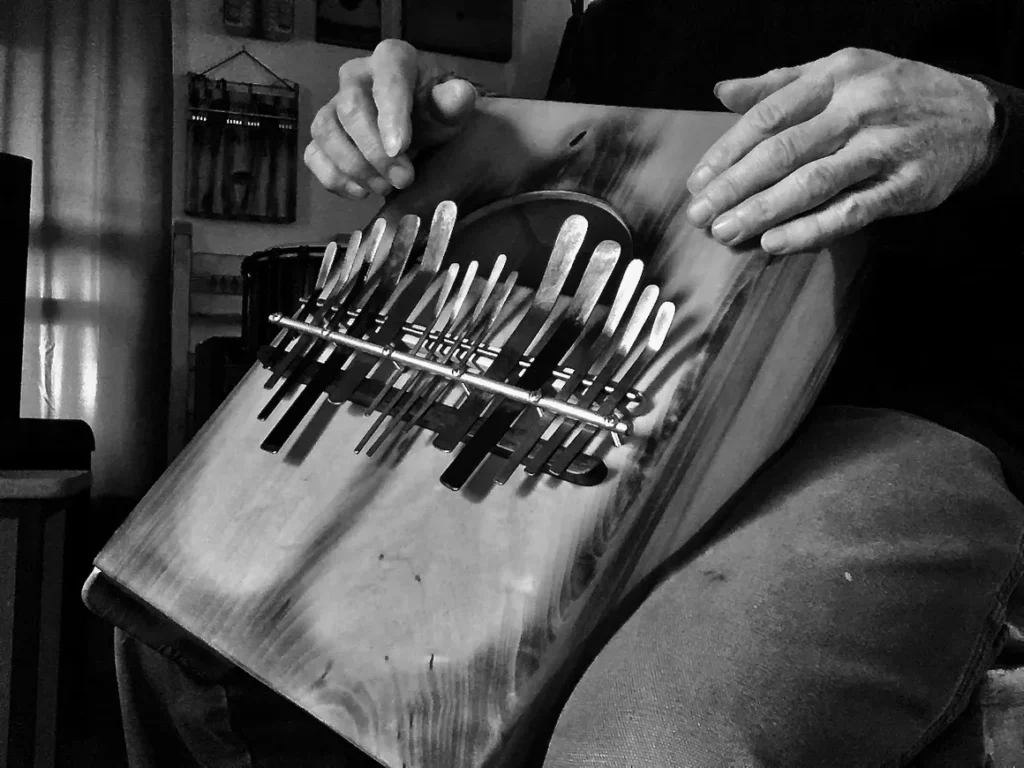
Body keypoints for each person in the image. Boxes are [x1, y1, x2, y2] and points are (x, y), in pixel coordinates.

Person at [115, 0, 1024, 765]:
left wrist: (994, 123)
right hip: (604, 377)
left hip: (906, 405)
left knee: (658, 741)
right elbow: (588, 188)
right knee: (181, 622)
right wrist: (450, 136)